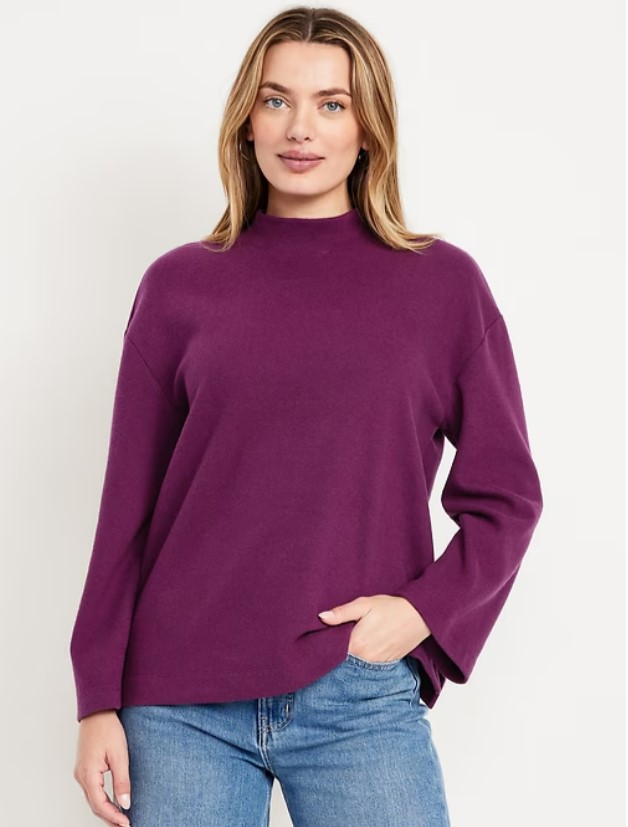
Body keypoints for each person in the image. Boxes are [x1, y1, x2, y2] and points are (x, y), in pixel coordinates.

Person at [70, 6, 543, 826]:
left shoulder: (442, 286)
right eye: (276, 99)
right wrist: (95, 697)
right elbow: (127, 512)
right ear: (246, 121)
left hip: (357, 693)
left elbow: (507, 496)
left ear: (368, 128)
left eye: (331, 103)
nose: (300, 128)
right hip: (178, 702)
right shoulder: (179, 286)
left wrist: (422, 612)